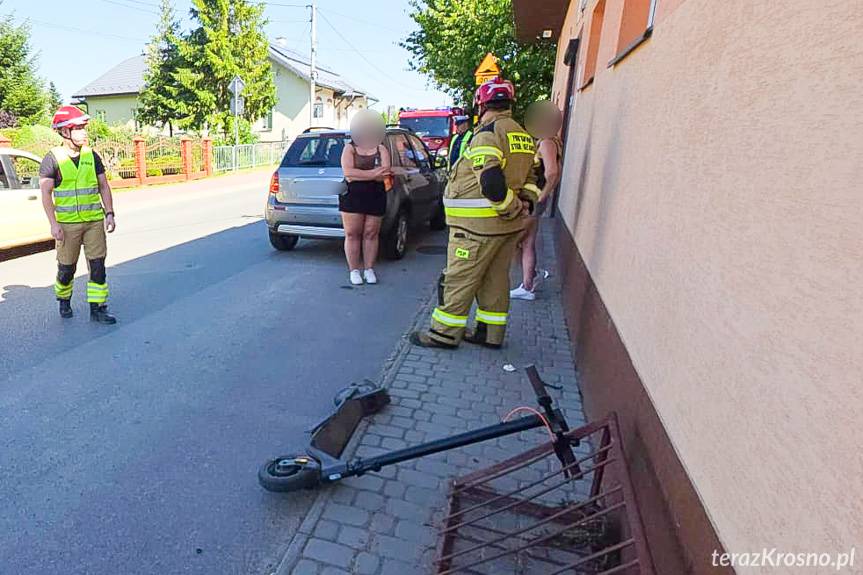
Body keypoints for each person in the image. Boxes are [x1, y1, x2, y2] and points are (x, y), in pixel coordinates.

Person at [411, 77, 541, 349]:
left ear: (481, 104)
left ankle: (443, 334)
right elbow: (533, 178)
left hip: (476, 229)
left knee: (458, 280)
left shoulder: (488, 133)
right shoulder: (522, 135)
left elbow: (491, 182)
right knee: (494, 281)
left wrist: (508, 208)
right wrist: (524, 204)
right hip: (505, 230)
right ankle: (489, 334)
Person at [39, 105, 117, 324]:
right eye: (79, 128)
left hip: (94, 221)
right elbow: (46, 193)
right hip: (68, 225)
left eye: (84, 128)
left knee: (98, 266)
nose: (84, 132)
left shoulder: (92, 156)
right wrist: (53, 224)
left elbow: (103, 186)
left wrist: (109, 213)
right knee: (66, 269)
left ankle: (98, 309)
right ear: (65, 132)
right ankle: (64, 299)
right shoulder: (52, 158)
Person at [510, 101, 563, 300]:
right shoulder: (549, 141)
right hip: (536, 199)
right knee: (527, 241)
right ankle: (529, 282)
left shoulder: (547, 143)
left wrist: (543, 194)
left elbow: (552, 172)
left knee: (515, 239)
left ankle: (529, 281)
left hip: (534, 199)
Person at [340, 110, 393, 285]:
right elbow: (348, 174)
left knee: (371, 233)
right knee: (352, 233)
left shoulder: (381, 148)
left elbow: (385, 173)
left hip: (376, 195)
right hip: (352, 195)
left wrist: (361, 174)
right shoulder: (349, 148)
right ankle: (354, 270)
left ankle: (369, 269)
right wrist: (373, 174)